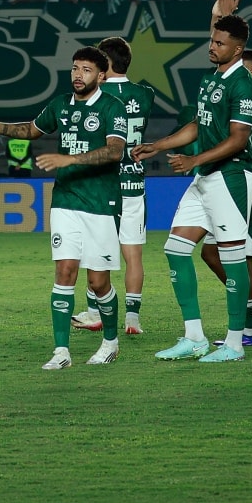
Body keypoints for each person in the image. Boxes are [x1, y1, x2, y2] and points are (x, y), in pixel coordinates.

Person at [0, 46, 129, 369]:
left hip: (101, 203)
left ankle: (111, 342)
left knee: (98, 282)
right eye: (75, 68)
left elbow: (115, 152)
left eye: (86, 70)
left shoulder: (113, 108)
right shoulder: (61, 105)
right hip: (65, 201)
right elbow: (32, 129)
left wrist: (69, 159)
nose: (78, 75)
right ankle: (62, 351)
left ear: (101, 75)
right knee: (64, 272)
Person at [130, 9, 252, 364]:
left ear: (237, 50)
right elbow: (198, 123)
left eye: (220, 43)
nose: (212, 46)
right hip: (205, 177)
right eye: (211, 40)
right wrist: (159, 145)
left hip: (232, 177)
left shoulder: (244, 86)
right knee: (176, 249)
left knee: (233, 259)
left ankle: (236, 342)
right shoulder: (212, 80)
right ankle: (194, 337)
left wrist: (193, 159)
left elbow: (239, 139)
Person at [69, 36, 154, 337]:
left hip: (104, 184)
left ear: (102, 66)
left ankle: (95, 313)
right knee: (133, 254)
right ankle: (133, 318)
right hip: (134, 181)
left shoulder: (96, 96)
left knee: (94, 251)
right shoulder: (145, 93)